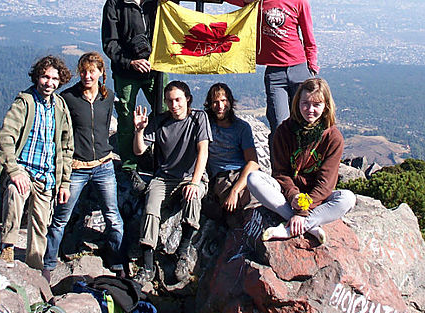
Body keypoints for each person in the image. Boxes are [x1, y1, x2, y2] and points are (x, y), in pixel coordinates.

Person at [102, 0, 196, 185]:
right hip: (127, 71)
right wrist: (130, 62)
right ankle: (129, 166)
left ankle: (159, 156)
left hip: (156, 68)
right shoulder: (116, 2)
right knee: (125, 116)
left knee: (166, 110)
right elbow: (109, 43)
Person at [43, 52, 124, 278]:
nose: (87, 76)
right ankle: (48, 265)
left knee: (112, 216)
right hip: (76, 167)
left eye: (92, 71)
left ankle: (117, 262)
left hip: (104, 165)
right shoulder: (68, 98)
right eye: (83, 71)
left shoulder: (108, 97)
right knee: (60, 218)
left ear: (101, 73)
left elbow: (106, 125)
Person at [216, 0, 318, 133]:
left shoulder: (299, 1)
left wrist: (312, 65)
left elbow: (308, 37)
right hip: (274, 71)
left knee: (304, 123)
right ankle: (277, 160)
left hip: (299, 67)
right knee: (279, 123)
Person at [247, 77, 355, 245]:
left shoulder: (333, 137)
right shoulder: (284, 131)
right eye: (305, 103)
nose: (310, 109)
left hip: (317, 199)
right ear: (297, 103)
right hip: (287, 195)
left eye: (316, 104)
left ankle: (290, 228)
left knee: (347, 198)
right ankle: (309, 225)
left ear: (326, 106)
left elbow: (326, 183)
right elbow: (281, 173)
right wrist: (294, 197)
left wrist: (304, 209)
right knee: (253, 179)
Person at [0, 55, 74, 270]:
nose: (49, 83)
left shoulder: (60, 107)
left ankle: (34, 268)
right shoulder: (25, 102)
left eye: (54, 78)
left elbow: (67, 147)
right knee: (14, 193)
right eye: (45, 77)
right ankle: (7, 247)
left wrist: (64, 183)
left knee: (41, 225)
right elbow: (6, 136)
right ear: (37, 77)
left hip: (47, 174)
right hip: (24, 169)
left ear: (60, 81)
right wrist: (14, 170)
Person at [132, 81, 211, 286]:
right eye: (170, 101)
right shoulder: (160, 121)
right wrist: (139, 130)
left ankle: (183, 253)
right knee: (150, 207)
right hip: (164, 177)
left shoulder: (199, 118)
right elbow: (139, 151)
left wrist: (194, 183)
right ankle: (147, 265)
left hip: (191, 176)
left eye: (178, 100)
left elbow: (203, 150)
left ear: (188, 99)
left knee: (193, 200)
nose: (174, 105)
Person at [203, 83, 259, 222]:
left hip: (244, 173)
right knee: (240, 209)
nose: (220, 106)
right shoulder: (205, 126)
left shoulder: (242, 127)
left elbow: (253, 162)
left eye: (223, 101)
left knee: (259, 199)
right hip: (223, 176)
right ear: (209, 105)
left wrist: (235, 191)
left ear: (230, 101)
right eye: (215, 102)